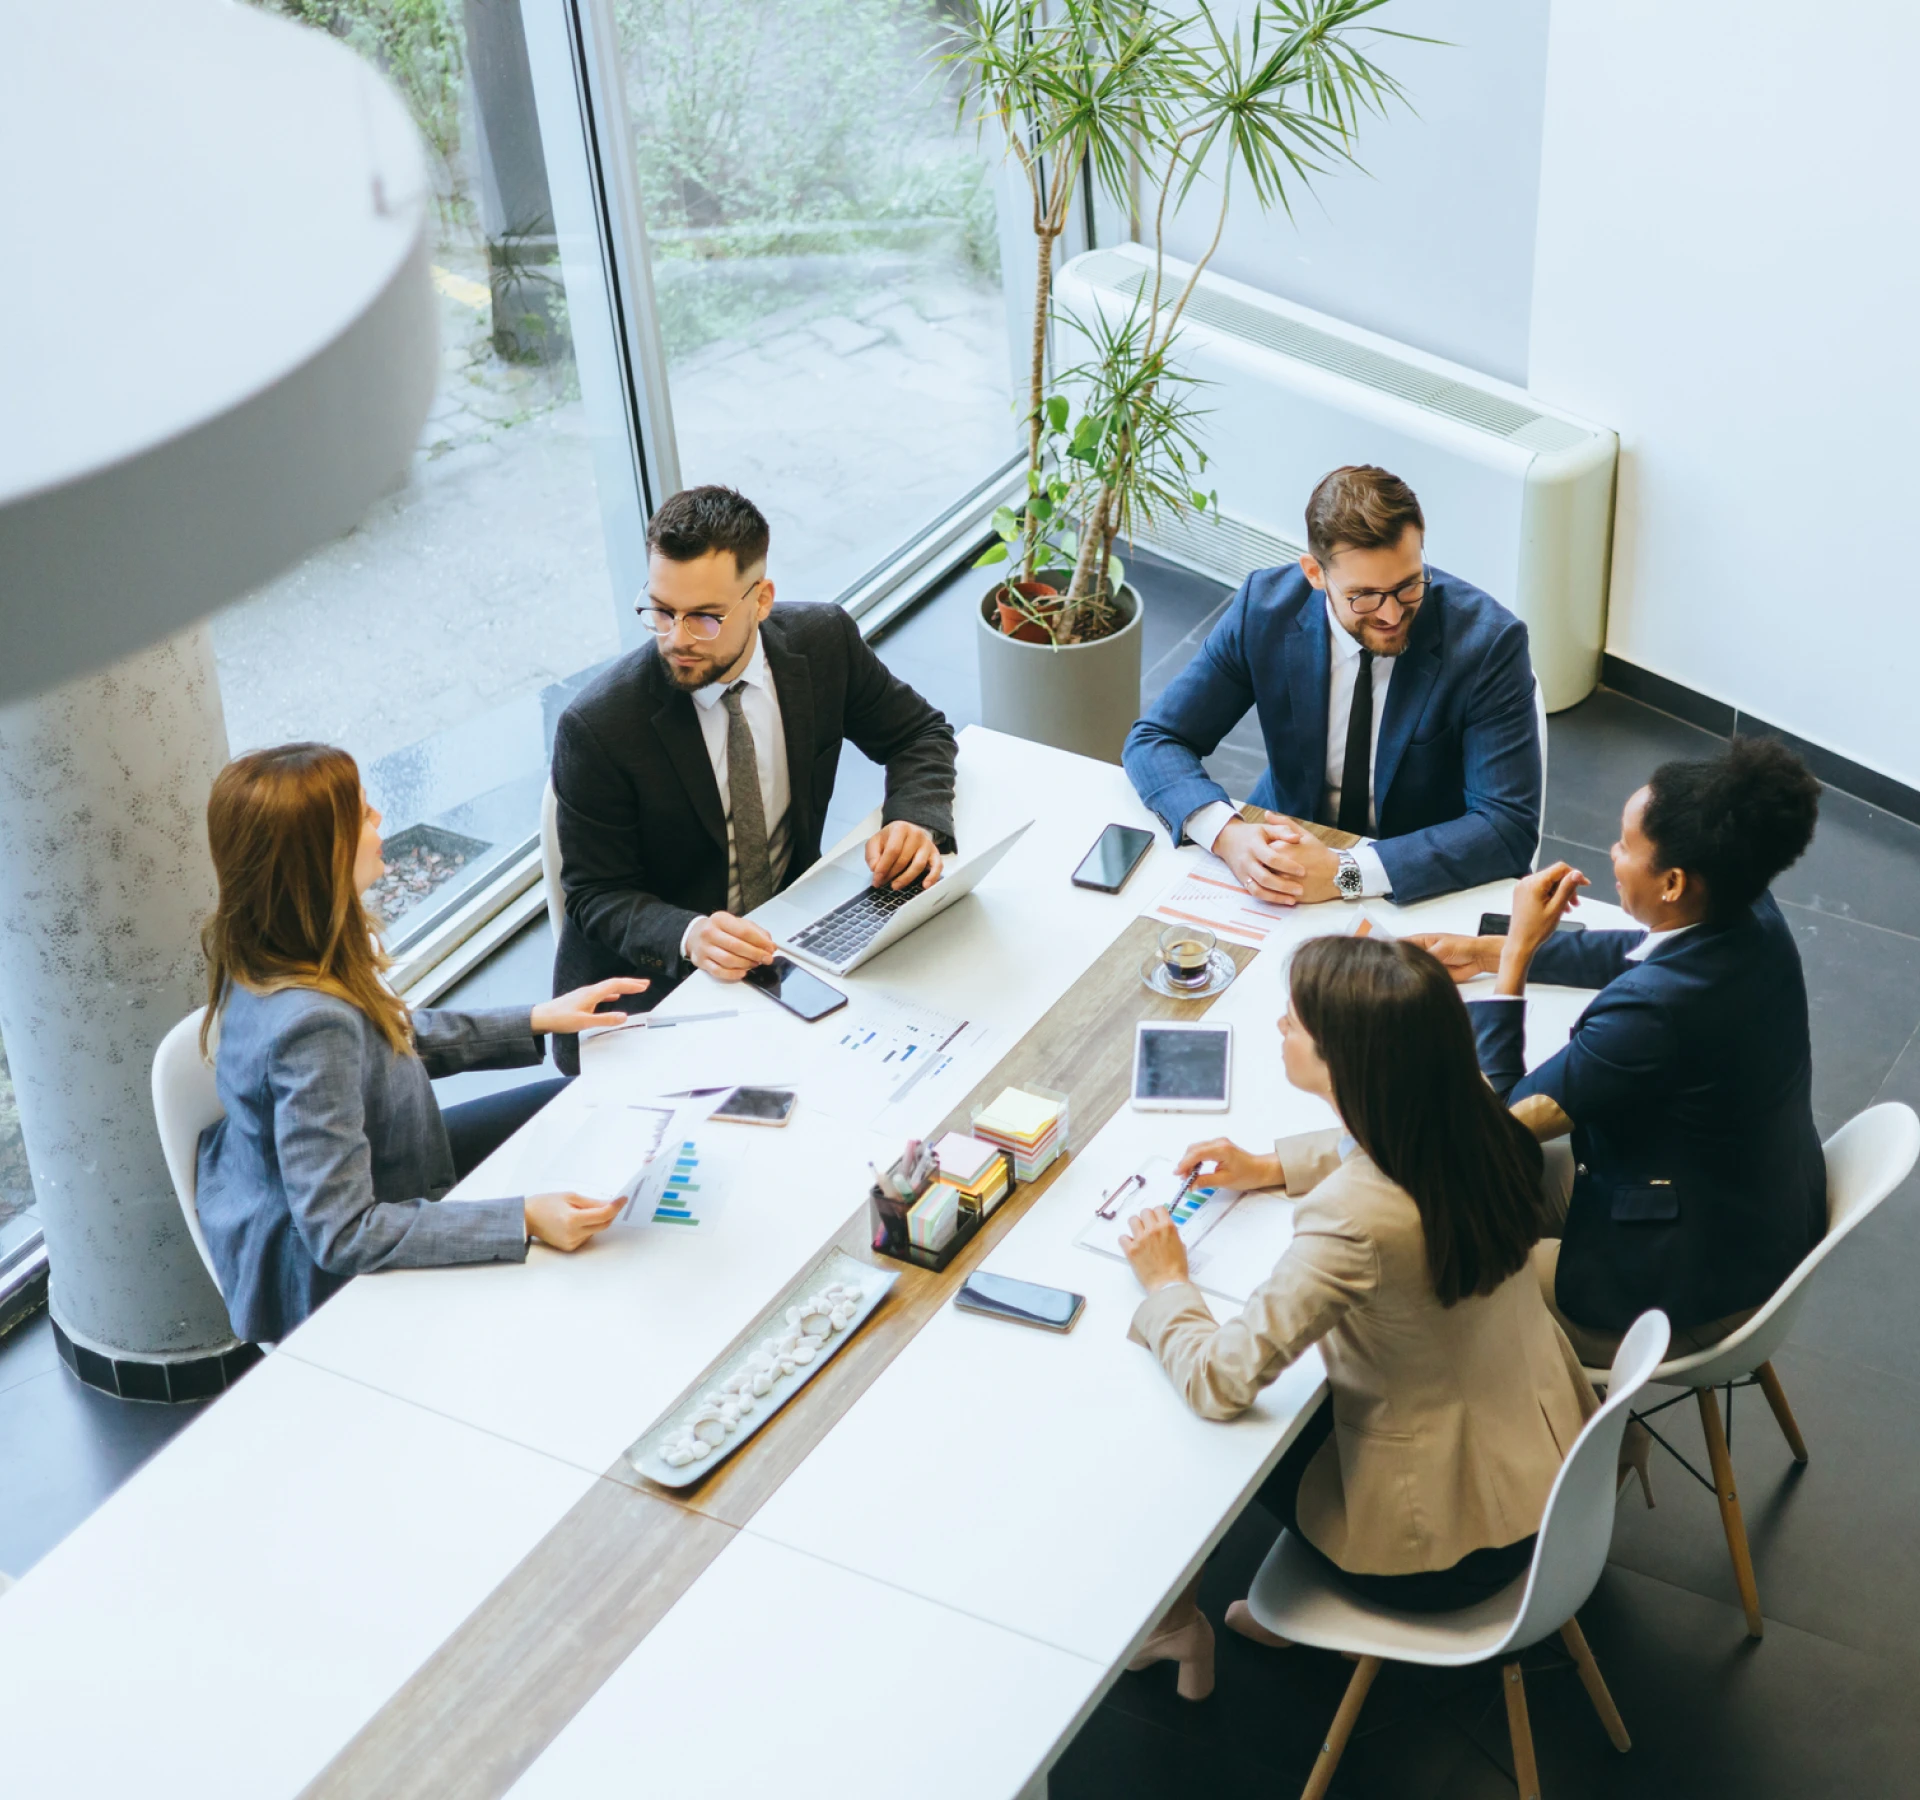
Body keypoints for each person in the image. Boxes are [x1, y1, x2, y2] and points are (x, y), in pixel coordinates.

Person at [1118, 935, 1597, 1699]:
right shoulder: (1474, 1105)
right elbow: (1383, 1147)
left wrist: (1168, 1283)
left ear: (1348, 1064)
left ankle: (1180, 1620)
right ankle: (1223, 1618)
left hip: (1445, 1557)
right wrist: (1273, 1164)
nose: (1280, 1027)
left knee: (1188, 1418)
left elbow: (1222, 1378)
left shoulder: (1353, 1218)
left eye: (1297, 1023)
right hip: (1559, 1487)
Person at [195, 744, 647, 1344]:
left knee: (568, 1103)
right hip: (338, 1276)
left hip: (383, 1155)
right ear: (315, 858)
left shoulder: (271, 947)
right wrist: (522, 1218)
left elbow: (387, 1039)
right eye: (360, 814)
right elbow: (345, 1232)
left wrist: (538, 1018)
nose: (380, 819)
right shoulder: (310, 1025)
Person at [1411, 736, 1826, 1365]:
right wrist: (1482, 950)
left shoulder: (1651, 1014)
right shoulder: (1746, 908)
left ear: (1673, 882)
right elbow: (1643, 950)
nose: (1612, 852)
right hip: (1755, 1217)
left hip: (1684, 1287)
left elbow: (1497, 1124)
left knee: (1426, 1274)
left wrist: (1517, 957)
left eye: (1626, 846)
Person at [548, 484, 958, 1073]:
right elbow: (594, 894)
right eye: (661, 611)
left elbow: (918, 733)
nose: (676, 638)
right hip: (658, 987)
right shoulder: (599, 726)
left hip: (793, 937)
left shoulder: (824, 644)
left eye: (705, 619)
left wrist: (914, 819)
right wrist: (689, 935)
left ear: (761, 599)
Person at [1122, 464, 1541, 908]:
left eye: (1408, 586)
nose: (1392, 615)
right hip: (1288, 846)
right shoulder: (1264, 610)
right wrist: (1227, 835)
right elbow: (1156, 739)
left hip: (1416, 873)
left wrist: (1348, 873)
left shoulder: (1488, 643)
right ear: (1315, 574)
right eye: (1364, 596)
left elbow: (1506, 825)